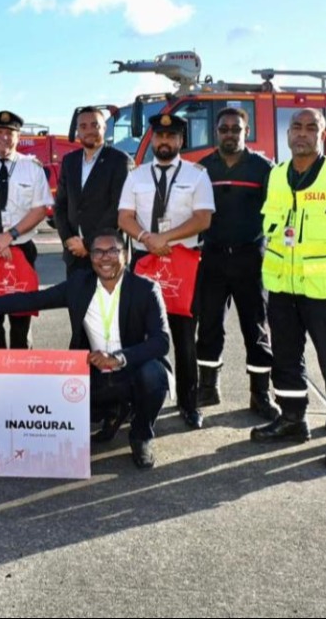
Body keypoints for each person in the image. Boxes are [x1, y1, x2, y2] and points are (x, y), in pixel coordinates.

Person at [0, 230, 171, 470]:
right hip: (92, 371)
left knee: (154, 374)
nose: (105, 258)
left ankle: (141, 435)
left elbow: (161, 341)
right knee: (64, 401)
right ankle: (112, 411)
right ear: (91, 257)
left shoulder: (146, 289)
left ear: (126, 255)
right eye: (98, 252)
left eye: (113, 251)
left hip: (131, 368)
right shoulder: (80, 284)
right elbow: (31, 300)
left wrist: (119, 359)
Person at [250, 108, 326, 471]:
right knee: (285, 357)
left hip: (323, 288)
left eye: (311, 128)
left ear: (322, 134)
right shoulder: (275, 176)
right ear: (288, 135)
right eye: (296, 128)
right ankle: (292, 419)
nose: (302, 134)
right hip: (282, 286)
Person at [118, 113, 214, 430]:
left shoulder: (198, 175)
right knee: (137, 334)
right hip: (145, 261)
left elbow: (203, 219)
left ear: (180, 141)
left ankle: (189, 404)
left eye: (171, 136)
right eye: (159, 135)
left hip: (182, 261)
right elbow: (125, 217)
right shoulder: (136, 176)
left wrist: (165, 238)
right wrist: (147, 238)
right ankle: (136, 401)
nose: (164, 141)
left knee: (185, 336)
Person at [194, 108, 280, 420]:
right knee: (208, 326)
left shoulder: (263, 168)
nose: (230, 134)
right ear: (216, 133)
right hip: (213, 256)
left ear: (246, 132)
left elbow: (277, 212)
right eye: (224, 129)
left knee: (255, 327)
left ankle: (260, 394)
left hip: (250, 258)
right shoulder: (202, 169)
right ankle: (207, 388)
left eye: (236, 129)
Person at [0, 111, 53, 349]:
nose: (4, 137)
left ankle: (21, 371)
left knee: (21, 317)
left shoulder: (32, 168)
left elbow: (40, 209)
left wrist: (9, 236)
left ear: (18, 136)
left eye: (10, 133)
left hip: (21, 247)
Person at [55, 106, 132, 275]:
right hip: (74, 255)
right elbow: (60, 205)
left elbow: (117, 208)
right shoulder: (69, 162)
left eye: (94, 125)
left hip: (108, 254)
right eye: (83, 127)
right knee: (77, 302)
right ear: (77, 131)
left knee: (109, 302)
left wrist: (88, 243)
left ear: (104, 128)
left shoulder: (120, 161)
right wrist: (69, 241)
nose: (89, 130)